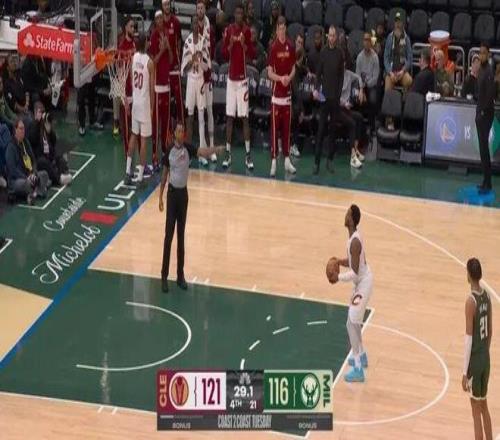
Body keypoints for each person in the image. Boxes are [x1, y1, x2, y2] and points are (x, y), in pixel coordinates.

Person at [159, 122, 223, 293]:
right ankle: (164, 276)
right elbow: (164, 174)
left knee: (181, 237)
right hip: (172, 196)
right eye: (179, 131)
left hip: (183, 196)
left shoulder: (188, 148)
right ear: (174, 134)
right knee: (168, 237)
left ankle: (180, 276)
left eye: (183, 131)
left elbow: (203, 152)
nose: (181, 133)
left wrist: (215, 149)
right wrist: (160, 197)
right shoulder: (169, 151)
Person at [329, 204, 373, 383]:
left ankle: (358, 369)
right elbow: (354, 261)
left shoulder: (355, 241)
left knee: (352, 321)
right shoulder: (352, 239)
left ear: (352, 220)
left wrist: (338, 277)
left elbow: (354, 273)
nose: (345, 216)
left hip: (363, 283)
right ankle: (361, 356)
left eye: (347, 214)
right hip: (361, 283)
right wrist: (339, 261)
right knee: (352, 322)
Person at [221, 3, 256, 170]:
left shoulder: (247, 31)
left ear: (244, 15)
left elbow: (252, 54)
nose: (239, 15)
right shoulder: (229, 30)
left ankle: (248, 156)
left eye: (241, 13)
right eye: (237, 13)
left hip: (242, 81)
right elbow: (223, 53)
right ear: (234, 14)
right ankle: (228, 154)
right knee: (229, 117)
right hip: (231, 80)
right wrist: (230, 44)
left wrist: (243, 44)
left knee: (244, 118)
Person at [462, 258, 493, 440]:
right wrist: (484, 353)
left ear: (468, 275)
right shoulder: (487, 297)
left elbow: (468, 339)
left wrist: (464, 373)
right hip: (486, 358)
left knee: (475, 411)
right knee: (484, 406)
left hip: (475, 361)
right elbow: (490, 331)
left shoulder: (470, 301)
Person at [312, 25, 344, 175]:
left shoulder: (340, 53)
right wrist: (316, 89)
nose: (331, 38)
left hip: (335, 98)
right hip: (324, 98)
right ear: (328, 37)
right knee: (320, 131)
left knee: (333, 131)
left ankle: (330, 161)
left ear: (336, 37)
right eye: (329, 35)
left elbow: (341, 76)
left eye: (333, 35)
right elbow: (318, 74)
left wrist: (338, 94)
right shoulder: (323, 52)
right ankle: (316, 162)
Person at [267, 16, 296, 177]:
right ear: (277, 30)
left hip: (287, 96)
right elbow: (269, 73)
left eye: (284, 28)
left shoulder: (290, 46)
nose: (282, 31)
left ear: (286, 29)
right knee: (274, 131)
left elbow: (293, 68)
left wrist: (289, 78)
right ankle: (273, 161)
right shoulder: (273, 47)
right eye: (280, 28)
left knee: (286, 130)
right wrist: (280, 79)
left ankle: (286, 160)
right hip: (276, 96)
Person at [125, 33, 155, 185]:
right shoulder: (150, 63)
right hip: (144, 105)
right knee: (143, 141)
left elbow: (131, 79)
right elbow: (152, 89)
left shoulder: (134, 57)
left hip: (136, 102)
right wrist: (152, 108)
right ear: (146, 44)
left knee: (133, 136)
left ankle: (127, 171)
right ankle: (140, 175)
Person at [182, 15, 210, 165]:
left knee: (201, 117)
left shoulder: (203, 41)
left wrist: (200, 60)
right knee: (190, 117)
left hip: (200, 81)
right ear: (191, 25)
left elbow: (207, 67)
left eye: (197, 24)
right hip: (191, 81)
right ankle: (188, 152)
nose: (195, 26)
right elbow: (184, 70)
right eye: (193, 23)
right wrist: (192, 60)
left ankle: (201, 152)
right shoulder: (187, 43)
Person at [5, 118, 49, 204]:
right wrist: (26, 177)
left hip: (29, 174)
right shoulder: (10, 147)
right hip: (17, 180)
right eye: (21, 128)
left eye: (24, 128)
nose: (23, 131)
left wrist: (34, 172)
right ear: (15, 130)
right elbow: (12, 170)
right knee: (26, 183)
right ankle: (35, 191)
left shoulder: (26, 142)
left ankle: (34, 191)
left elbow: (33, 160)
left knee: (44, 174)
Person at [149, 10, 173, 168]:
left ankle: (164, 152)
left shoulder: (167, 35)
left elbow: (170, 60)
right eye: (157, 18)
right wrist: (162, 49)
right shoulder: (153, 37)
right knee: (156, 125)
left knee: (166, 123)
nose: (159, 20)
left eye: (160, 18)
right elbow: (153, 63)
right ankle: (154, 155)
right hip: (157, 87)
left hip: (167, 85)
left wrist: (168, 47)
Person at [28, 101, 72, 186]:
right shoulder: (32, 125)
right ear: (35, 113)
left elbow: (54, 141)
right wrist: (37, 122)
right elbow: (33, 139)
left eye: (43, 112)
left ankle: (61, 173)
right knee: (43, 162)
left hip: (49, 154)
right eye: (40, 112)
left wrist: (50, 130)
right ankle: (59, 179)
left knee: (59, 156)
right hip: (39, 158)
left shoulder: (45, 124)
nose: (42, 114)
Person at [197, 0, 217, 161]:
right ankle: (202, 149)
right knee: (201, 113)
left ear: (205, 9)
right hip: (198, 76)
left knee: (210, 111)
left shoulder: (210, 28)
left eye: (202, 8)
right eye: (198, 8)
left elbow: (212, 50)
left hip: (208, 75)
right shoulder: (194, 29)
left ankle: (212, 147)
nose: (200, 10)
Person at [476, 42, 495, 194]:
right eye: (480, 52)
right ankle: (485, 180)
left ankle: (488, 182)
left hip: (486, 114)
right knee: (482, 148)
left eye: (483, 53)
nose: (481, 55)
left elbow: (490, 95)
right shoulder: (481, 70)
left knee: (484, 148)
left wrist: (482, 112)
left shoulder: (489, 71)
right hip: (479, 112)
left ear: (488, 54)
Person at [113, 16, 136, 144]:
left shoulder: (135, 43)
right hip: (125, 86)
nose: (133, 29)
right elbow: (119, 70)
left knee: (133, 118)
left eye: (134, 26)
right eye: (131, 26)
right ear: (126, 27)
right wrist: (122, 91)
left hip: (135, 86)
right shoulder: (122, 45)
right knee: (125, 116)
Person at [162, 0, 184, 127]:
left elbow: (179, 42)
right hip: (164, 67)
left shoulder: (176, 22)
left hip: (175, 65)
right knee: (166, 99)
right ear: (162, 6)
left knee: (178, 97)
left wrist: (179, 59)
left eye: (168, 4)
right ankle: (168, 127)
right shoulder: (159, 23)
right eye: (165, 4)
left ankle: (181, 124)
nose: (167, 6)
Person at [338, 65, 365, 169]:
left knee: (359, 117)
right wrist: (344, 103)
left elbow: (359, 78)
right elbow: (333, 96)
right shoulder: (335, 76)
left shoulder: (349, 74)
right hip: (337, 108)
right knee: (352, 123)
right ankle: (352, 156)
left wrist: (361, 90)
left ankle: (356, 150)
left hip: (346, 109)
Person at [356, 32, 380, 131]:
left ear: (371, 42)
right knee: (358, 98)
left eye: (368, 40)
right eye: (365, 40)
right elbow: (357, 75)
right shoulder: (359, 57)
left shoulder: (375, 57)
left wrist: (366, 85)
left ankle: (371, 125)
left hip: (371, 85)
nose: (366, 42)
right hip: (361, 85)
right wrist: (362, 88)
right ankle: (360, 125)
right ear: (363, 42)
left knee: (372, 100)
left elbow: (375, 77)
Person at [383, 12, 412, 92]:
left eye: (399, 22)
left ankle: (404, 98)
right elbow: (386, 58)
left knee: (409, 81)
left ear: (403, 24)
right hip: (391, 72)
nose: (397, 25)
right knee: (388, 91)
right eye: (396, 22)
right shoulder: (389, 38)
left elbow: (409, 59)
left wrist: (403, 71)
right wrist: (390, 72)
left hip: (402, 71)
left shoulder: (406, 39)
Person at [3, 54, 30, 119]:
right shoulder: (6, 83)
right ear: (7, 67)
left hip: (27, 105)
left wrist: (27, 103)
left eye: (14, 60)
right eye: (11, 61)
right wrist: (23, 109)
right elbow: (13, 103)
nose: (14, 63)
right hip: (18, 112)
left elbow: (26, 90)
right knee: (30, 120)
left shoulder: (19, 75)